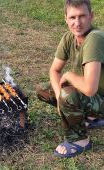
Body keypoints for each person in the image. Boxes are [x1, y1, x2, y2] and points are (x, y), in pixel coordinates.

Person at [37, 0, 104, 158]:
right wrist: (59, 96)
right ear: (65, 19)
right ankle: (90, 117)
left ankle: (80, 140)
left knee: (68, 93)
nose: (77, 22)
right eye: (72, 17)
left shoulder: (95, 38)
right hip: (92, 96)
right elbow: (54, 70)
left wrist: (68, 76)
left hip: (99, 96)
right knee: (44, 90)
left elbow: (89, 88)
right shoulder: (69, 37)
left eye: (82, 16)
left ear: (91, 16)